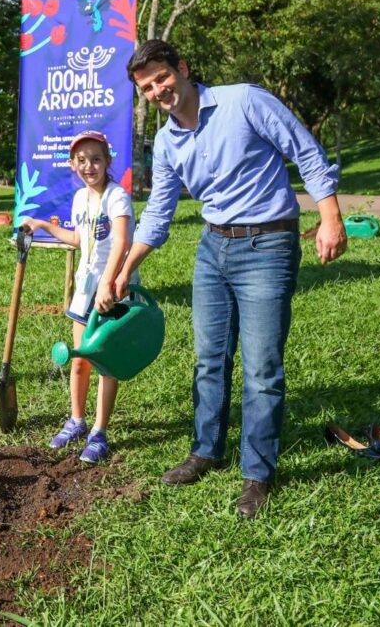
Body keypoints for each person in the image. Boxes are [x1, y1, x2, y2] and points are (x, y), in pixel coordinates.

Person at [112, 39, 347, 519]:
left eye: (162, 78)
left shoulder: (244, 100)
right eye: (147, 87)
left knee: (262, 368)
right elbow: (158, 212)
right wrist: (123, 269)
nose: (158, 90)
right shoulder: (166, 142)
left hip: (268, 245)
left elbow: (305, 150)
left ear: (183, 67)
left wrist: (331, 217)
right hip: (212, 247)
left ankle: (258, 473)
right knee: (209, 358)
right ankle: (206, 450)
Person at [22, 130, 136, 464]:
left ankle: (99, 432)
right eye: (82, 160)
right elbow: (79, 239)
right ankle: (77, 419)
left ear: (108, 162)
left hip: (111, 292)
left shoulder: (117, 197)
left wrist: (108, 283)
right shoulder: (80, 199)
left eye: (96, 159)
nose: (90, 166)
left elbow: (122, 243)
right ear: (73, 165)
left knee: (105, 362)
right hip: (84, 292)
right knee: (79, 359)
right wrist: (43, 224)